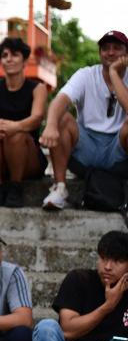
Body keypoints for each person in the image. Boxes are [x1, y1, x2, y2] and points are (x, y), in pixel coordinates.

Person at [39, 30, 128, 210]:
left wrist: (114, 74)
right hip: (87, 150)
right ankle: (60, 188)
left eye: (116, 48)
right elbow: (60, 100)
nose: (110, 52)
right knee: (62, 118)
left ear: (126, 53)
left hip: (118, 152)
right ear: (99, 53)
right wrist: (50, 125)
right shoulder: (86, 74)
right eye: (105, 48)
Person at [0, 37, 48, 208]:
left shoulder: (38, 88)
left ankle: (15, 187)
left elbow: (36, 119)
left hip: (27, 159)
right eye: (5, 55)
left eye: (15, 55)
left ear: (25, 60)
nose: (9, 59)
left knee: (16, 136)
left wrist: (14, 127)